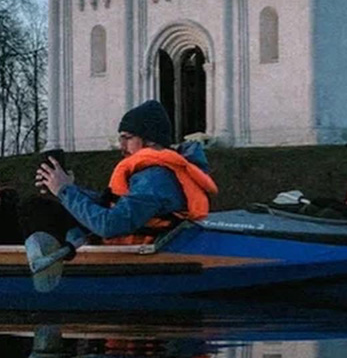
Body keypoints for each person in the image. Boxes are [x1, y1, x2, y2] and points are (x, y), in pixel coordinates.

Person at [34, 99, 218, 252]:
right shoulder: (159, 172)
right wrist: (71, 188)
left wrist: (64, 191)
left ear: (151, 139)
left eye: (127, 138)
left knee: (38, 211)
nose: (121, 146)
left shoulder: (155, 179)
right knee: (46, 208)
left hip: (138, 255)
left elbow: (109, 225)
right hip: (131, 248)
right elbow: (113, 205)